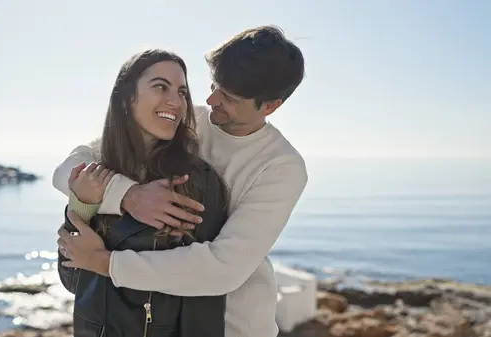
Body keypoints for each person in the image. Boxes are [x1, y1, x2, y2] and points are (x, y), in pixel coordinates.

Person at [54, 25, 308, 337]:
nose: (211, 99)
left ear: (270, 106)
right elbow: (72, 167)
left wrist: (104, 263)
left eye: (228, 97)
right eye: (214, 85)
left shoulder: (282, 166)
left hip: (232, 325)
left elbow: (223, 268)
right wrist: (126, 195)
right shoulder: (187, 119)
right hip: (155, 317)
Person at [56, 49, 230, 337]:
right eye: (161, 87)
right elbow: (72, 280)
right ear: (127, 98)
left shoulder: (196, 181)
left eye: (182, 92)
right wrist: (84, 205)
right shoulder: (99, 176)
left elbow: (205, 292)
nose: (175, 102)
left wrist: (103, 262)